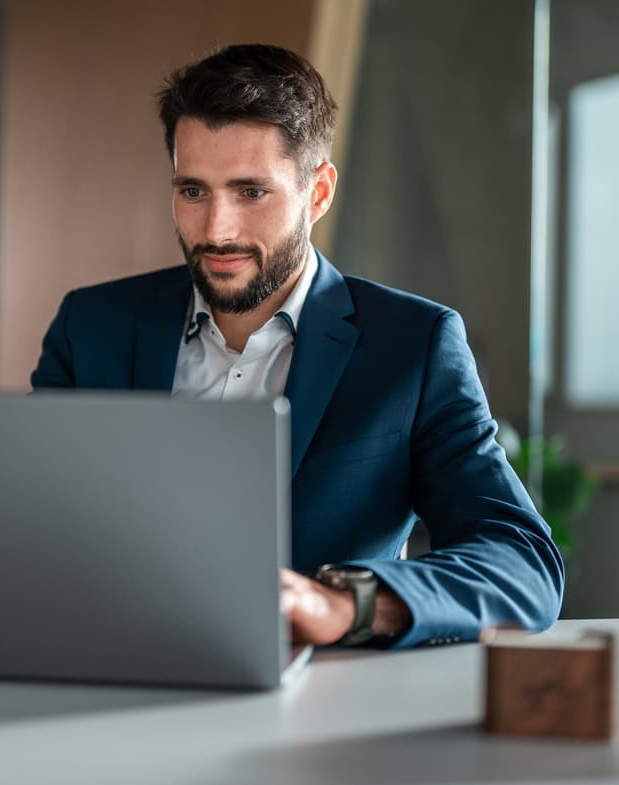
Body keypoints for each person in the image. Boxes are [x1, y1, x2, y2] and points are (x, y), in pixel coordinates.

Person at [31, 43, 564, 648]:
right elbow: (24, 519)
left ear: (318, 193)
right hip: (101, 679)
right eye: (193, 191)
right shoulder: (90, 325)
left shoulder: (414, 346)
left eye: (251, 192)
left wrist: (348, 604)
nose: (217, 230)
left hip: (314, 706)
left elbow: (523, 564)